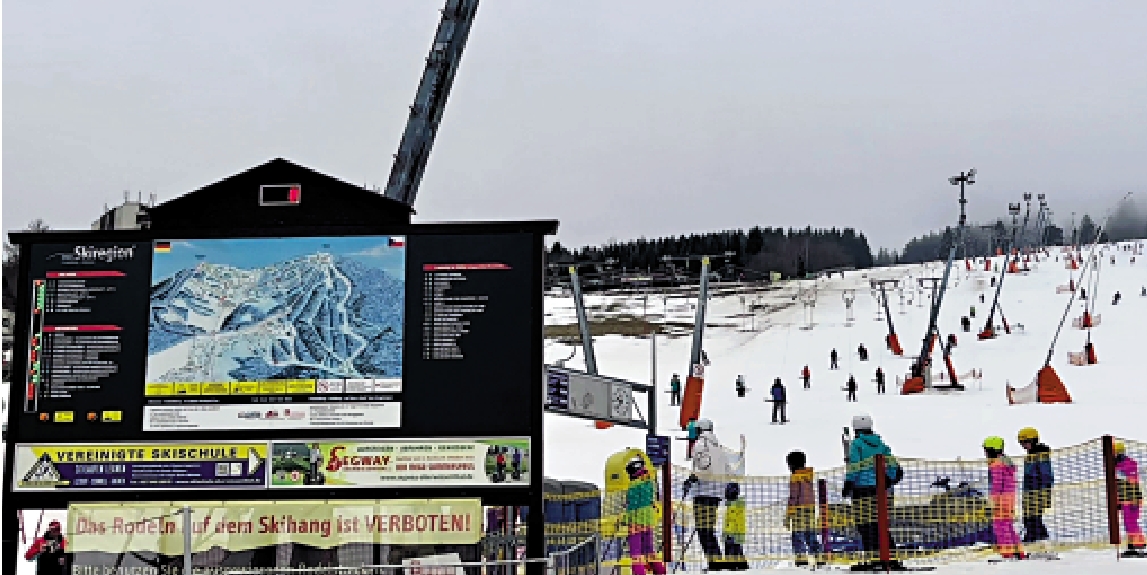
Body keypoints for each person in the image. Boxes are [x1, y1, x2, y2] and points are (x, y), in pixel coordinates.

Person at [842, 415, 903, 571]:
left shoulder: (857, 444)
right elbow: (893, 465)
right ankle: (891, 558)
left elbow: (855, 465)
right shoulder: (881, 444)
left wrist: (848, 483)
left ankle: (874, 558)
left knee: (865, 524)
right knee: (880, 523)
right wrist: (889, 479)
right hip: (879, 490)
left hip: (861, 490)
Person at [683, 419, 735, 571]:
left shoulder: (701, 445)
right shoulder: (718, 447)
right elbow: (728, 471)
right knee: (708, 528)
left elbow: (704, 467)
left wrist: (693, 477)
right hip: (716, 493)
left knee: (703, 529)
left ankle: (715, 562)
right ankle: (716, 560)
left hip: (703, 491)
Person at [984, 436, 1026, 560]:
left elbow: (997, 484)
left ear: (992, 450)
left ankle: (1007, 552)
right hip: (1010, 498)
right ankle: (1019, 551)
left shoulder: (996, 464)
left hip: (1001, 499)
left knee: (1000, 525)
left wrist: (994, 500)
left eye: (986, 450)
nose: (985, 453)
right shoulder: (1006, 462)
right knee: (1008, 525)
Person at [625, 458, 668, 575]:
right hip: (648, 520)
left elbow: (632, 506)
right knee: (649, 549)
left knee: (636, 553)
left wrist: (625, 520)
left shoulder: (634, 485)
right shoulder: (649, 482)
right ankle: (660, 571)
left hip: (636, 521)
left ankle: (639, 573)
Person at [1017, 427, 1054, 543]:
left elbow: (1045, 474)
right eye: (1022, 443)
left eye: (1026, 442)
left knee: (1033, 517)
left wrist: (1044, 491)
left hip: (1038, 491)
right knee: (1029, 517)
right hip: (1030, 491)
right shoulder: (1030, 455)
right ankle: (1036, 536)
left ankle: (1036, 537)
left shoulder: (1040, 455)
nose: (1024, 446)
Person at [786, 451, 820, 567]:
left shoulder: (795, 477)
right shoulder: (809, 476)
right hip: (810, 508)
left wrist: (789, 514)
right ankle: (818, 556)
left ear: (792, 465)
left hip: (798, 510)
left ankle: (801, 559)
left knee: (797, 535)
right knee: (811, 534)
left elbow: (793, 496)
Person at [1114, 441, 1146, 557]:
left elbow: (1132, 481)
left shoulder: (1130, 463)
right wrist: (1118, 501)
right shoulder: (1116, 466)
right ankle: (1132, 546)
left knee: (1132, 523)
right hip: (1124, 498)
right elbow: (1117, 485)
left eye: (1116, 453)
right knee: (1128, 524)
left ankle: (1140, 546)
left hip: (1132, 498)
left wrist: (1134, 500)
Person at [722, 482, 749, 570]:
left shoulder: (734, 505)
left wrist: (728, 533)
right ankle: (742, 565)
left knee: (733, 550)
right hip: (735, 532)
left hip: (733, 532)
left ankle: (733, 566)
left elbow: (732, 520)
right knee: (737, 549)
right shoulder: (733, 504)